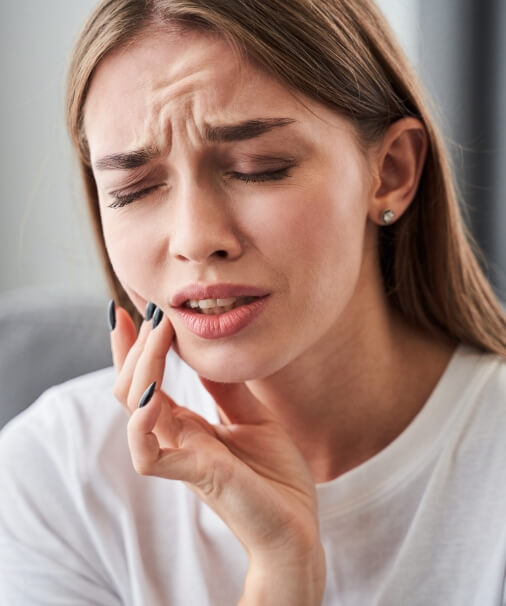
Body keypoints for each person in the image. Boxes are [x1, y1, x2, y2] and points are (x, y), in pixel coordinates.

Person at [1, 0, 505, 604]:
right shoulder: (55, 477)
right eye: (134, 189)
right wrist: (280, 569)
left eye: (257, 168)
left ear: (391, 171)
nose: (194, 239)